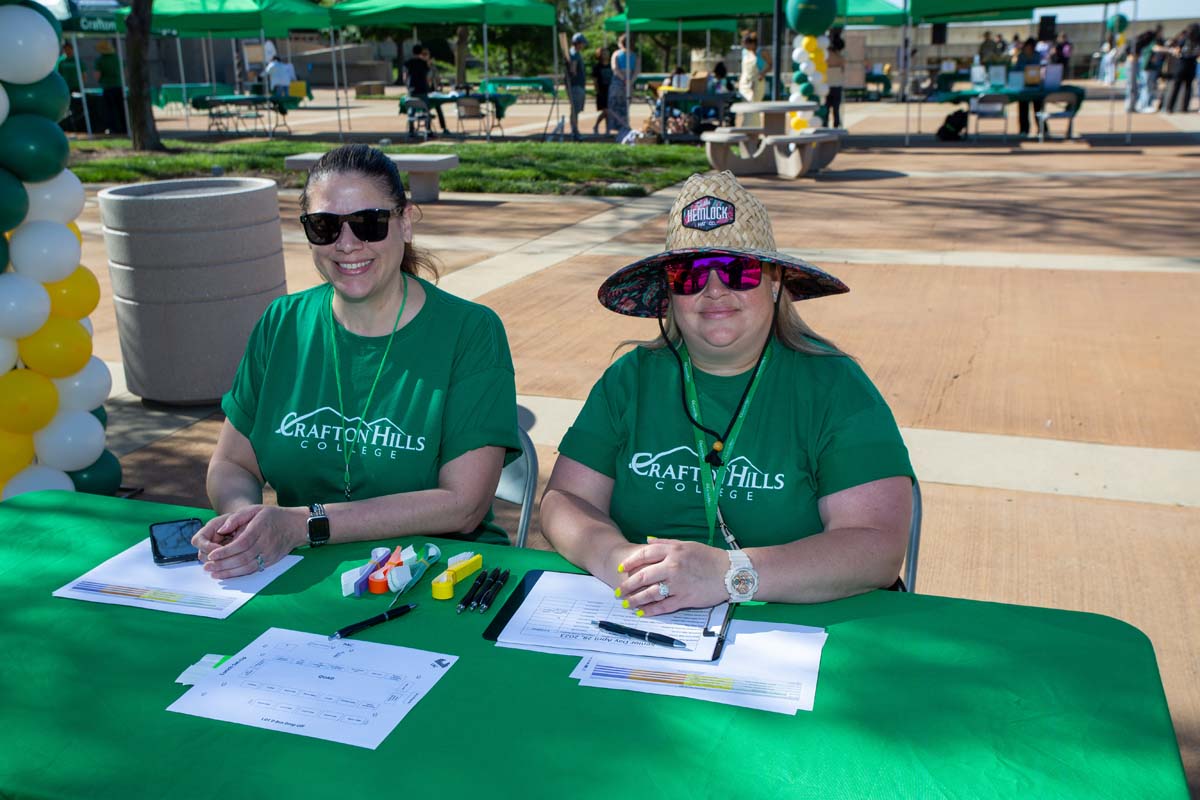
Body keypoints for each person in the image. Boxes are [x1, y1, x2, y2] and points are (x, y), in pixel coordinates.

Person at [541, 171, 914, 614]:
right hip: (647, 618)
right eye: (689, 273)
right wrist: (617, 560)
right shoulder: (630, 379)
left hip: (803, 628)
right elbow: (565, 501)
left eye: (739, 270)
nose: (714, 289)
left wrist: (730, 574)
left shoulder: (835, 387)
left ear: (775, 282)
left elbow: (876, 548)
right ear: (670, 292)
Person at [194, 145, 521, 579]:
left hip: (436, 577)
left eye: (369, 223)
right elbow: (232, 463)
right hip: (297, 570)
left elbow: (463, 505)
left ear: (405, 223)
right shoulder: (282, 323)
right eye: (324, 226)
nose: (346, 244)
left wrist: (303, 523)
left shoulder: (471, 331)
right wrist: (245, 521)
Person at [404, 44, 447, 133]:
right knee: (426, 109)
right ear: (420, 52)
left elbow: (405, 75)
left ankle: (411, 130)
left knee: (412, 109)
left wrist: (407, 86)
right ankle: (428, 129)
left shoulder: (408, 62)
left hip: (412, 89)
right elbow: (427, 75)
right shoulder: (423, 63)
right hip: (423, 89)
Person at [1012, 38, 1044, 136]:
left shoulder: (1037, 55)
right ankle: (1024, 130)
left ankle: (1042, 129)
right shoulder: (1021, 56)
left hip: (1035, 86)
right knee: (1023, 108)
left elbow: (1038, 68)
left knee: (1038, 108)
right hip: (1023, 86)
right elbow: (1017, 69)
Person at [738, 31, 770, 126]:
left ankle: (754, 131)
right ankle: (745, 129)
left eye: (747, 45)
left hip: (757, 82)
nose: (746, 47)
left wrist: (762, 74)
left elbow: (770, 64)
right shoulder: (744, 52)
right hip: (745, 84)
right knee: (746, 108)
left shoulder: (762, 52)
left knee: (754, 108)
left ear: (753, 43)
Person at [609, 33, 638, 140]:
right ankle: (624, 126)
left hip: (618, 83)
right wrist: (629, 81)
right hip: (628, 83)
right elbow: (636, 71)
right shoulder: (635, 56)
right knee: (625, 107)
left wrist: (624, 80)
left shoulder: (616, 54)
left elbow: (615, 68)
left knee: (614, 107)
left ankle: (623, 127)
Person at [93, 40, 125, 135]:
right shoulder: (117, 58)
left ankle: (113, 129)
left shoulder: (100, 60)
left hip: (107, 87)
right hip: (119, 86)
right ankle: (124, 128)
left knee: (110, 110)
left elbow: (97, 75)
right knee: (121, 109)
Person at [1165, 24, 1199, 113]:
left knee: (1176, 87)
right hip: (1191, 64)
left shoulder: (1185, 38)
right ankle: (1184, 108)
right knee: (1188, 87)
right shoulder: (1198, 40)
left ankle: (1170, 107)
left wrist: (1179, 55)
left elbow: (1177, 50)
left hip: (1181, 64)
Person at [567, 32, 588, 141]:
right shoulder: (574, 53)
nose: (583, 46)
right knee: (575, 109)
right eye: (582, 43)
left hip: (577, 85)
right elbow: (573, 69)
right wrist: (574, 74)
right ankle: (574, 131)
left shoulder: (574, 52)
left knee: (576, 109)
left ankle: (575, 130)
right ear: (578, 43)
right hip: (576, 85)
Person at [824, 27, 846, 128]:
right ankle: (836, 124)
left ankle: (825, 124)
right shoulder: (840, 57)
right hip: (836, 84)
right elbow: (843, 68)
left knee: (826, 107)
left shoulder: (826, 56)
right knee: (836, 108)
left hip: (827, 84)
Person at [592, 46, 612, 134]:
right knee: (606, 111)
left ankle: (607, 129)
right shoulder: (597, 67)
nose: (606, 54)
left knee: (608, 112)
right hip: (602, 91)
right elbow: (595, 80)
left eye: (607, 53)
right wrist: (597, 90)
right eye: (604, 53)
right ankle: (596, 125)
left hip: (610, 90)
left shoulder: (611, 66)